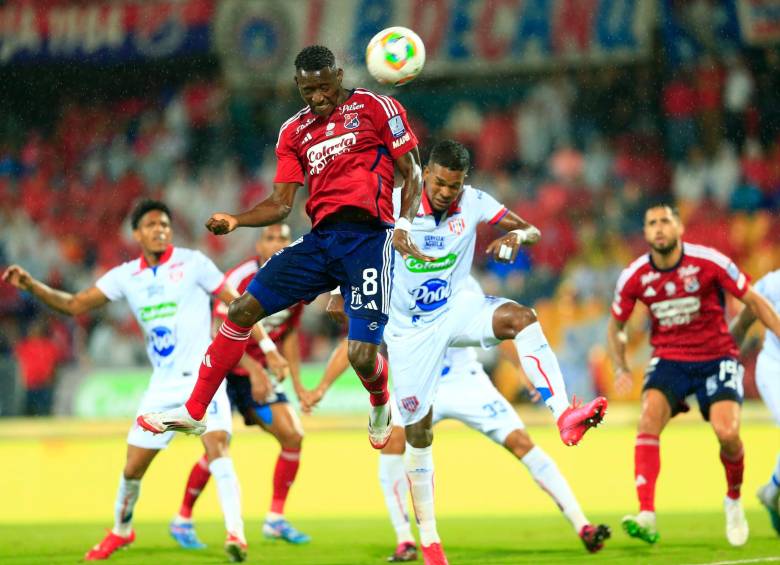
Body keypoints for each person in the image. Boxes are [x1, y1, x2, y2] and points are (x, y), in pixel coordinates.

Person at [320, 140, 606, 564]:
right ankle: (428, 541)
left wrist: (515, 237)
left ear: (463, 183)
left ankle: (564, 412)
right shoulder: (391, 206)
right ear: (423, 174)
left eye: (453, 186)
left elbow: (531, 230)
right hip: (412, 337)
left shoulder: (473, 203)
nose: (444, 193)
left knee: (521, 318)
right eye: (438, 183)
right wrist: (348, 291)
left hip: (456, 314)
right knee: (417, 438)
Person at [138, 45, 429, 452]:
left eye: (326, 87)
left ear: (339, 77)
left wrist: (404, 224)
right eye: (309, 90)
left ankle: (380, 402)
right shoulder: (294, 131)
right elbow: (280, 203)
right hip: (320, 242)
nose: (318, 97)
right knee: (241, 309)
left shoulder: (377, 108)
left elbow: (412, 170)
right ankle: (194, 411)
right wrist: (238, 220)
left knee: (363, 355)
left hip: (369, 240)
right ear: (298, 85)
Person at [1, 200, 279, 562]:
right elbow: (74, 304)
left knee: (218, 451)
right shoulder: (125, 276)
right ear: (136, 234)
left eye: (164, 223)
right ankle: (121, 530)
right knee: (132, 467)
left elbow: (242, 303)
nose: (160, 229)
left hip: (203, 378)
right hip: (162, 386)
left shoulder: (193, 263)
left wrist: (268, 347)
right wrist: (32, 286)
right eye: (151, 224)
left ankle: (235, 535)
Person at [310, 311, 611, 561]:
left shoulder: (451, 272)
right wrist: (322, 386)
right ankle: (406, 540)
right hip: (415, 382)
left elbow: (498, 325)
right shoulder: (389, 282)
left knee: (521, 442)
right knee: (393, 443)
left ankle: (583, 525)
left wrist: (521, 367)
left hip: (466, 382)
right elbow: (355, 344)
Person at [607, 203, 780, 547]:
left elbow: (754, 301)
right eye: (651, 223)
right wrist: (621, 366)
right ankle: (646, 513)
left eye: (665, 222)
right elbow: (616, 326)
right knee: (648, 418)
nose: (658, 228)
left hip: (716, 357)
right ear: (645, 233)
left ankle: (733, 500)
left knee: (727, 433)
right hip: (669, 359)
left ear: (679, 228)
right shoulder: (634, 276)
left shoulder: (710, 262)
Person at [170, 224, 310, 549]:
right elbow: (221, 330)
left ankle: (275, 520)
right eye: (270, 238)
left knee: (293, 435)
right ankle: (183, 518)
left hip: (258, 374)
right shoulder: (240, 278)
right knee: (216, 445)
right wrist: (255, 370)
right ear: (258, 244)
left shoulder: (299, 277)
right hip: (224, 371)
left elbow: (288, 332)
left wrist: (299, 384)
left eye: (283, 239)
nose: (277, 244)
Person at [729, 268, 780, 535]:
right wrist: (733, 337)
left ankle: (773, 490)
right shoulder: (776, 281)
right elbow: (751, 304)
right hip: (776, 369)